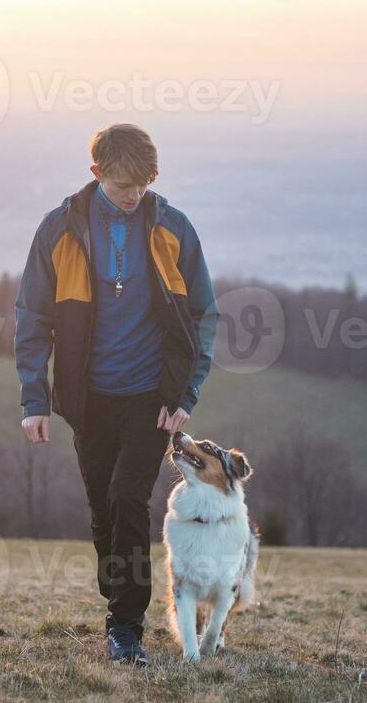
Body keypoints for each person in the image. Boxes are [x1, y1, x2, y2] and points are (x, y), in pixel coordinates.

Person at [14, 123, 218, 665]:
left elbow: (202, 314)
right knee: (103, 508)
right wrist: (34, 399)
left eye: (144, 184)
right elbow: (32, 316)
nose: (134, 196)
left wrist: (185, 394)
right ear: (97, 173)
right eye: (124, 185)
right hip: (88, 398)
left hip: (152, 397)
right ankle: (117, 607)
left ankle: (126, 624)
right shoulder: (58, 229)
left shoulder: (173, 227)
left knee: (131, 498)